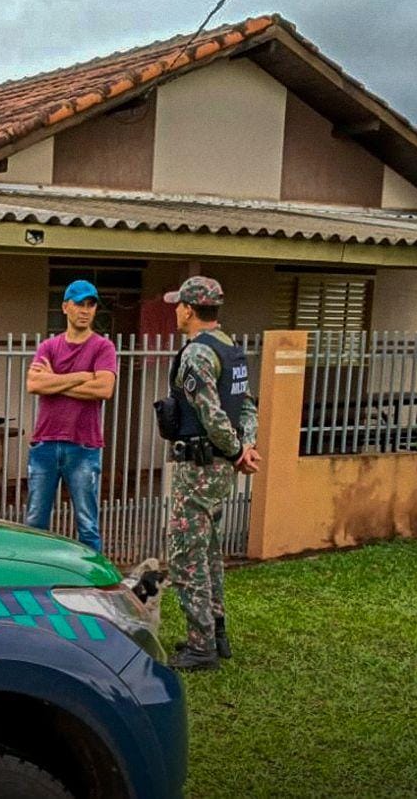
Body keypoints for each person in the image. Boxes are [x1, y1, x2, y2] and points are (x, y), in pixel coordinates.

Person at [162, 276, 260, 671]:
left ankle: (200, 646)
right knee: (209, 551)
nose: (176, 311)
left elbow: (211, 414)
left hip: (200, 467)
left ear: (189, 309)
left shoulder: (198, 354)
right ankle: (216, 633)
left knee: (186, 553)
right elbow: (246, 407)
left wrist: (237, 451)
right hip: (221, 469)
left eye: (178, 305)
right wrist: (245, 447)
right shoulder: (230, 348)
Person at [24, 280, 117, 552]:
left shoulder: (103, 348)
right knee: (35, 521)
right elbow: (34, 384)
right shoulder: (48, 347)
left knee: (87, 524)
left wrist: (55, 381)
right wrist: (82, 376)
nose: (85, 311)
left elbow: (104, 389)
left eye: (91, 305)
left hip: (84, 446)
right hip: (45, 443)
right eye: (79, 304)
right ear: (65, 307)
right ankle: (35, 571)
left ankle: (91, 575)